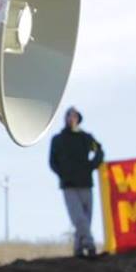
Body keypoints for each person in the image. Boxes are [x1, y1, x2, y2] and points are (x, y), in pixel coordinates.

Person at [49, 106, 104, 258]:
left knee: (86, 218)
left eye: (74, 116)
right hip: (69, 186)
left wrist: (92, 166)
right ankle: (90, 244)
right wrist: (63, 174)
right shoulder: (58, 140)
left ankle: (78, 249)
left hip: (86, 183)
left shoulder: (86, 138)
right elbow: (52, 162)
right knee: (78, 218)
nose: (71, 119)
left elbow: (99, 150)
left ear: (78, 118)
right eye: (69, 116)